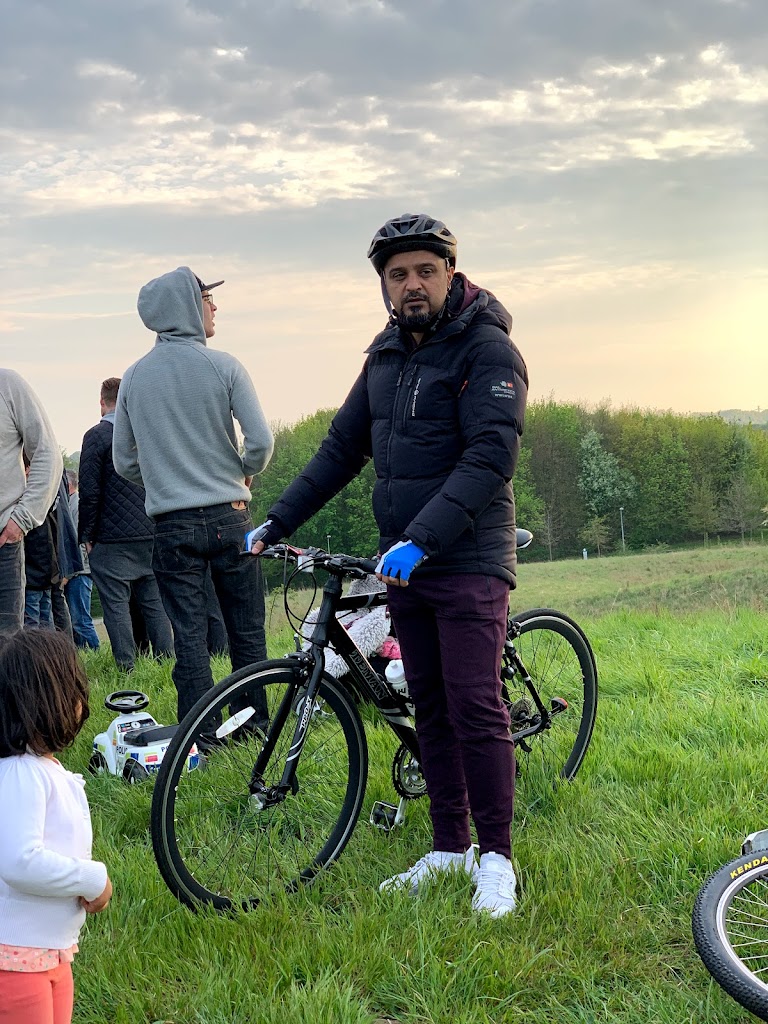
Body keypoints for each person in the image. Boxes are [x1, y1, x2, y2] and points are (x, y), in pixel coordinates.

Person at [248, 214, 528, 917]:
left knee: (473, 704)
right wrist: (278, 520)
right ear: (383, 285)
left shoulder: (488, 351)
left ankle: (496, 858)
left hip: (465, 556)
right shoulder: (383, 359)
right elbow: (340, 451)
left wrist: (425, 537)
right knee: (426, 704)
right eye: (397, 274)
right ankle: (445, 846)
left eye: (424, 271)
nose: (411, 285)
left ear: (450, 275)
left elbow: (490, 458)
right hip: (408, 563)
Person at [112, 268, 274, 732]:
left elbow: (125, 461)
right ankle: (252, 726)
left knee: (189, 636)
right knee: (245, 631)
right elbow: (260, 442)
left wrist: (165, 481)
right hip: (231, 515)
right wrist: (242, 469)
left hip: (170, 524)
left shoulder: (134, 378)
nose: (214, 305)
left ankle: (200, 734)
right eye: (206, 297)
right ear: (186, 305)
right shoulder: (224, 366)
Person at [0, 628, 112, 1024]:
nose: (83, 700)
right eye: (75, 688)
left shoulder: (41, 769)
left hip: (49, 953)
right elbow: (18, 862)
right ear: (49, 699)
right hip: (15, 961)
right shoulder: (20, 774)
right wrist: (92, 879)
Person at [78, 378, 173, 672]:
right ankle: (167, 661)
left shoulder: (96, 437)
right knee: (155, 603)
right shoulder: (147, 434)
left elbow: (90, 491)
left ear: (102, 401)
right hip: (151, 530)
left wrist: (87, 534)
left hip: (111, 537)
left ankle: (127, 668)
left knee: (116, 606)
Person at [0, 369, 61, 636]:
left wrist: (21, 520)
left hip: (3, 539)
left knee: (6, 642)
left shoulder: (8, 386)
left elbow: (47, 453)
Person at [63, 470, 99, 650]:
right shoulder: (71, 504)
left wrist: (70, 571)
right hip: (77, 570)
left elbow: (78, 540)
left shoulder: (76, 505)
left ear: (68, 485)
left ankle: (95, 652)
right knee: (76, 619)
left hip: (80, 571)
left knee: (81, 620)